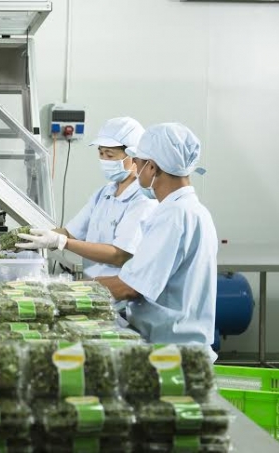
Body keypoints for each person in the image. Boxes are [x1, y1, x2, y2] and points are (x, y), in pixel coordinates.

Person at [95, 123, 218, 360]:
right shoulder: (193, 210)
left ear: (151, 167)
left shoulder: (174, 215)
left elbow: (130, 287)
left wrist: (71, 289)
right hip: (178, 346)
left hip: (171, 353)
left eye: (137, 162)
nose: (135, 168)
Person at [16, 117, 157, 278]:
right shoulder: (104, 194)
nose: (104, 160)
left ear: (134, 157)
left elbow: (119, 255)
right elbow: (70, 233)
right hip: (94, 285)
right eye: (101, 153)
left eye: (110, 155)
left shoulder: (143, 199)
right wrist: (26, 238)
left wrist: (61, 242)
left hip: (121, 288)